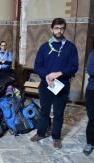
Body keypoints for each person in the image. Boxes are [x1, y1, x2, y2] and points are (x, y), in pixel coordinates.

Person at [30, 18, 79, 149]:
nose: (59, 31)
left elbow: (74, 67)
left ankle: (56, 137)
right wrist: (46, 75)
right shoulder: (44, 47)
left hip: (61, 85)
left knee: (58, 113)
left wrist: (59, 73)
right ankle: (41, 133)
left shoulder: (70, 47)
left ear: (64, 29)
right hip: (46, 84)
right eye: (57, 28)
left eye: (62, 28)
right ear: (52, 29)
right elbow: (37, 66)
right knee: (44, 111)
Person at [83, 48, 94, 155]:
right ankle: (90, 143)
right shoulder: (92, 54)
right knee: (92, 117)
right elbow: (90, 70)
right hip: (92, 90)